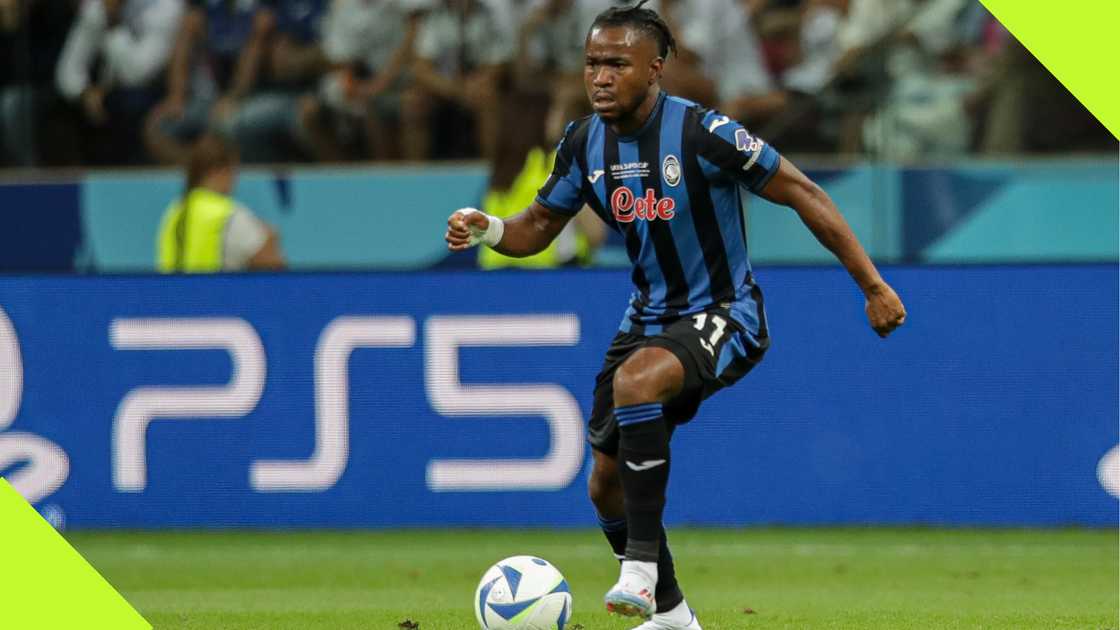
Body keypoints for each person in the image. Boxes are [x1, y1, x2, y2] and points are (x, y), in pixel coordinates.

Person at [444, 2, 906, 629]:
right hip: (647, 317)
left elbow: (802, 191)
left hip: (725, 311)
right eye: (591, 64)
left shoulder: (703, 133)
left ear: (654, 69)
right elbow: (537, 228)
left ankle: (637, 568)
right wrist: (489, 227)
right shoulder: (584, 142)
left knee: (638, 382)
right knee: (603, 485)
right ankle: (673, 618)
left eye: (616, 64)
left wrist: (872, 286)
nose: (599, 77)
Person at [157, 134, 285, 272]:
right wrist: (271, 241)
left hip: (173, 293)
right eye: (234, 171)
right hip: (216, 292)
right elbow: (273, 270)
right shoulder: (229, 215)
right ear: (220, 170)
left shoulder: (173, 213)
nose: (235, 181)